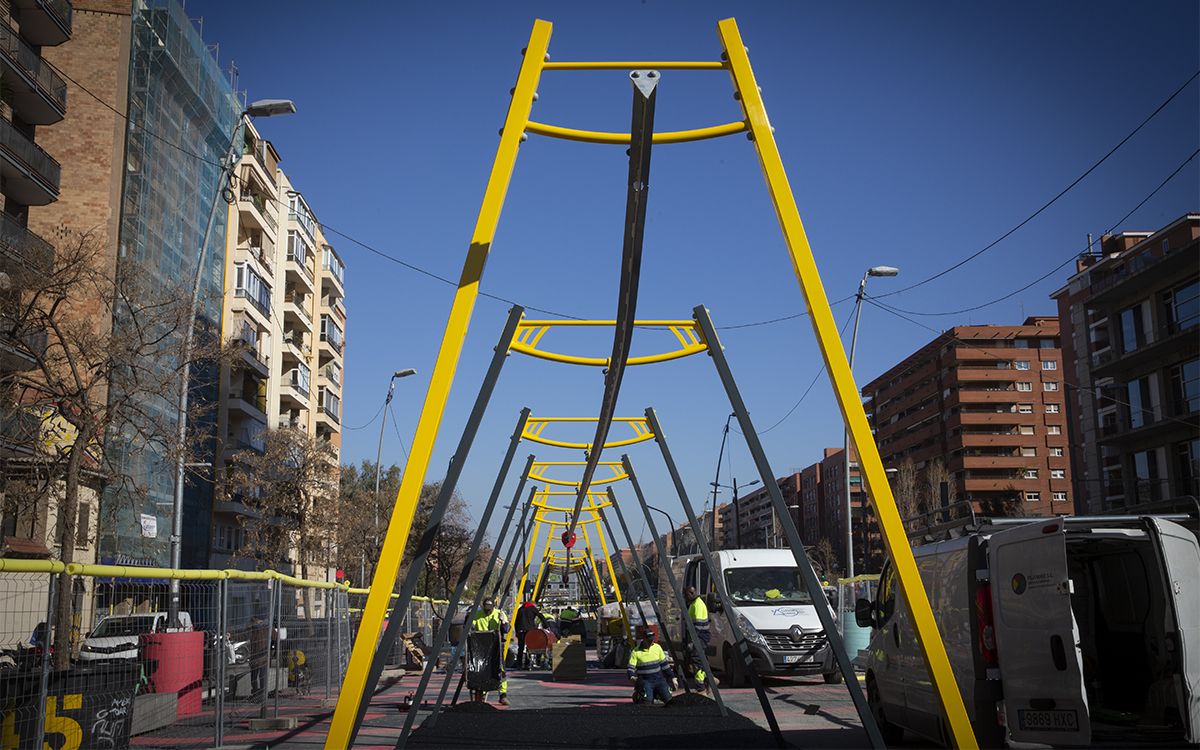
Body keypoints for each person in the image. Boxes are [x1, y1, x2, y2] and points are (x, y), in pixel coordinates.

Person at [469, 598, 510, 705]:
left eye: (489, 610)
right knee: (480, 668)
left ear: (493, 607)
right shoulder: (477, 614)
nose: (487, 612)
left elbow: (506, 629)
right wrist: (468, 620)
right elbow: (470, 627)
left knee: (500, 668)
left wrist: (503, 623)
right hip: (480, 647)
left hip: (496, 645)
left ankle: (502, 694)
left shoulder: (499, 614)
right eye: (486, 610)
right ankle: (480, 689)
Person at [628, 625, 677, 705]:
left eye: (652, 640)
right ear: (644, 639)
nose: (651, 642)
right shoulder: (636, 652)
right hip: (645, 680)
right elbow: (631, 668)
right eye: (649, 640)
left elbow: (665, 665)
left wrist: (672, 677)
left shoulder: (657, 648)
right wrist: (632, 677)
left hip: (659, 679)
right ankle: (639, 695)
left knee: (669, 699)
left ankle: (657, 694)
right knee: (647, 702)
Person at [684, 586, 718, 692]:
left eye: (687, 595)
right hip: (700, 636)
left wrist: (693, 641)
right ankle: (710, 679)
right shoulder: (695, 603)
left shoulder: (697, 605)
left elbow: (698, 626)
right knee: (701, 659)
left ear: (691, 593)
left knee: (697, 660)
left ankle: (701, 687)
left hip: (699, 637)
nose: (686, 597)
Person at [514, 596, 548, 670]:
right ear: (533, 604)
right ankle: (527, 663)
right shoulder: (533, 608)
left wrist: (516, 632)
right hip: (530, 631)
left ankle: (519, 664)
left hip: (520, 630)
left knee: (521, 648)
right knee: (530, 647)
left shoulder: (520, 609)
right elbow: (541, 616)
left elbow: (516, 622)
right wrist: (546, 625)